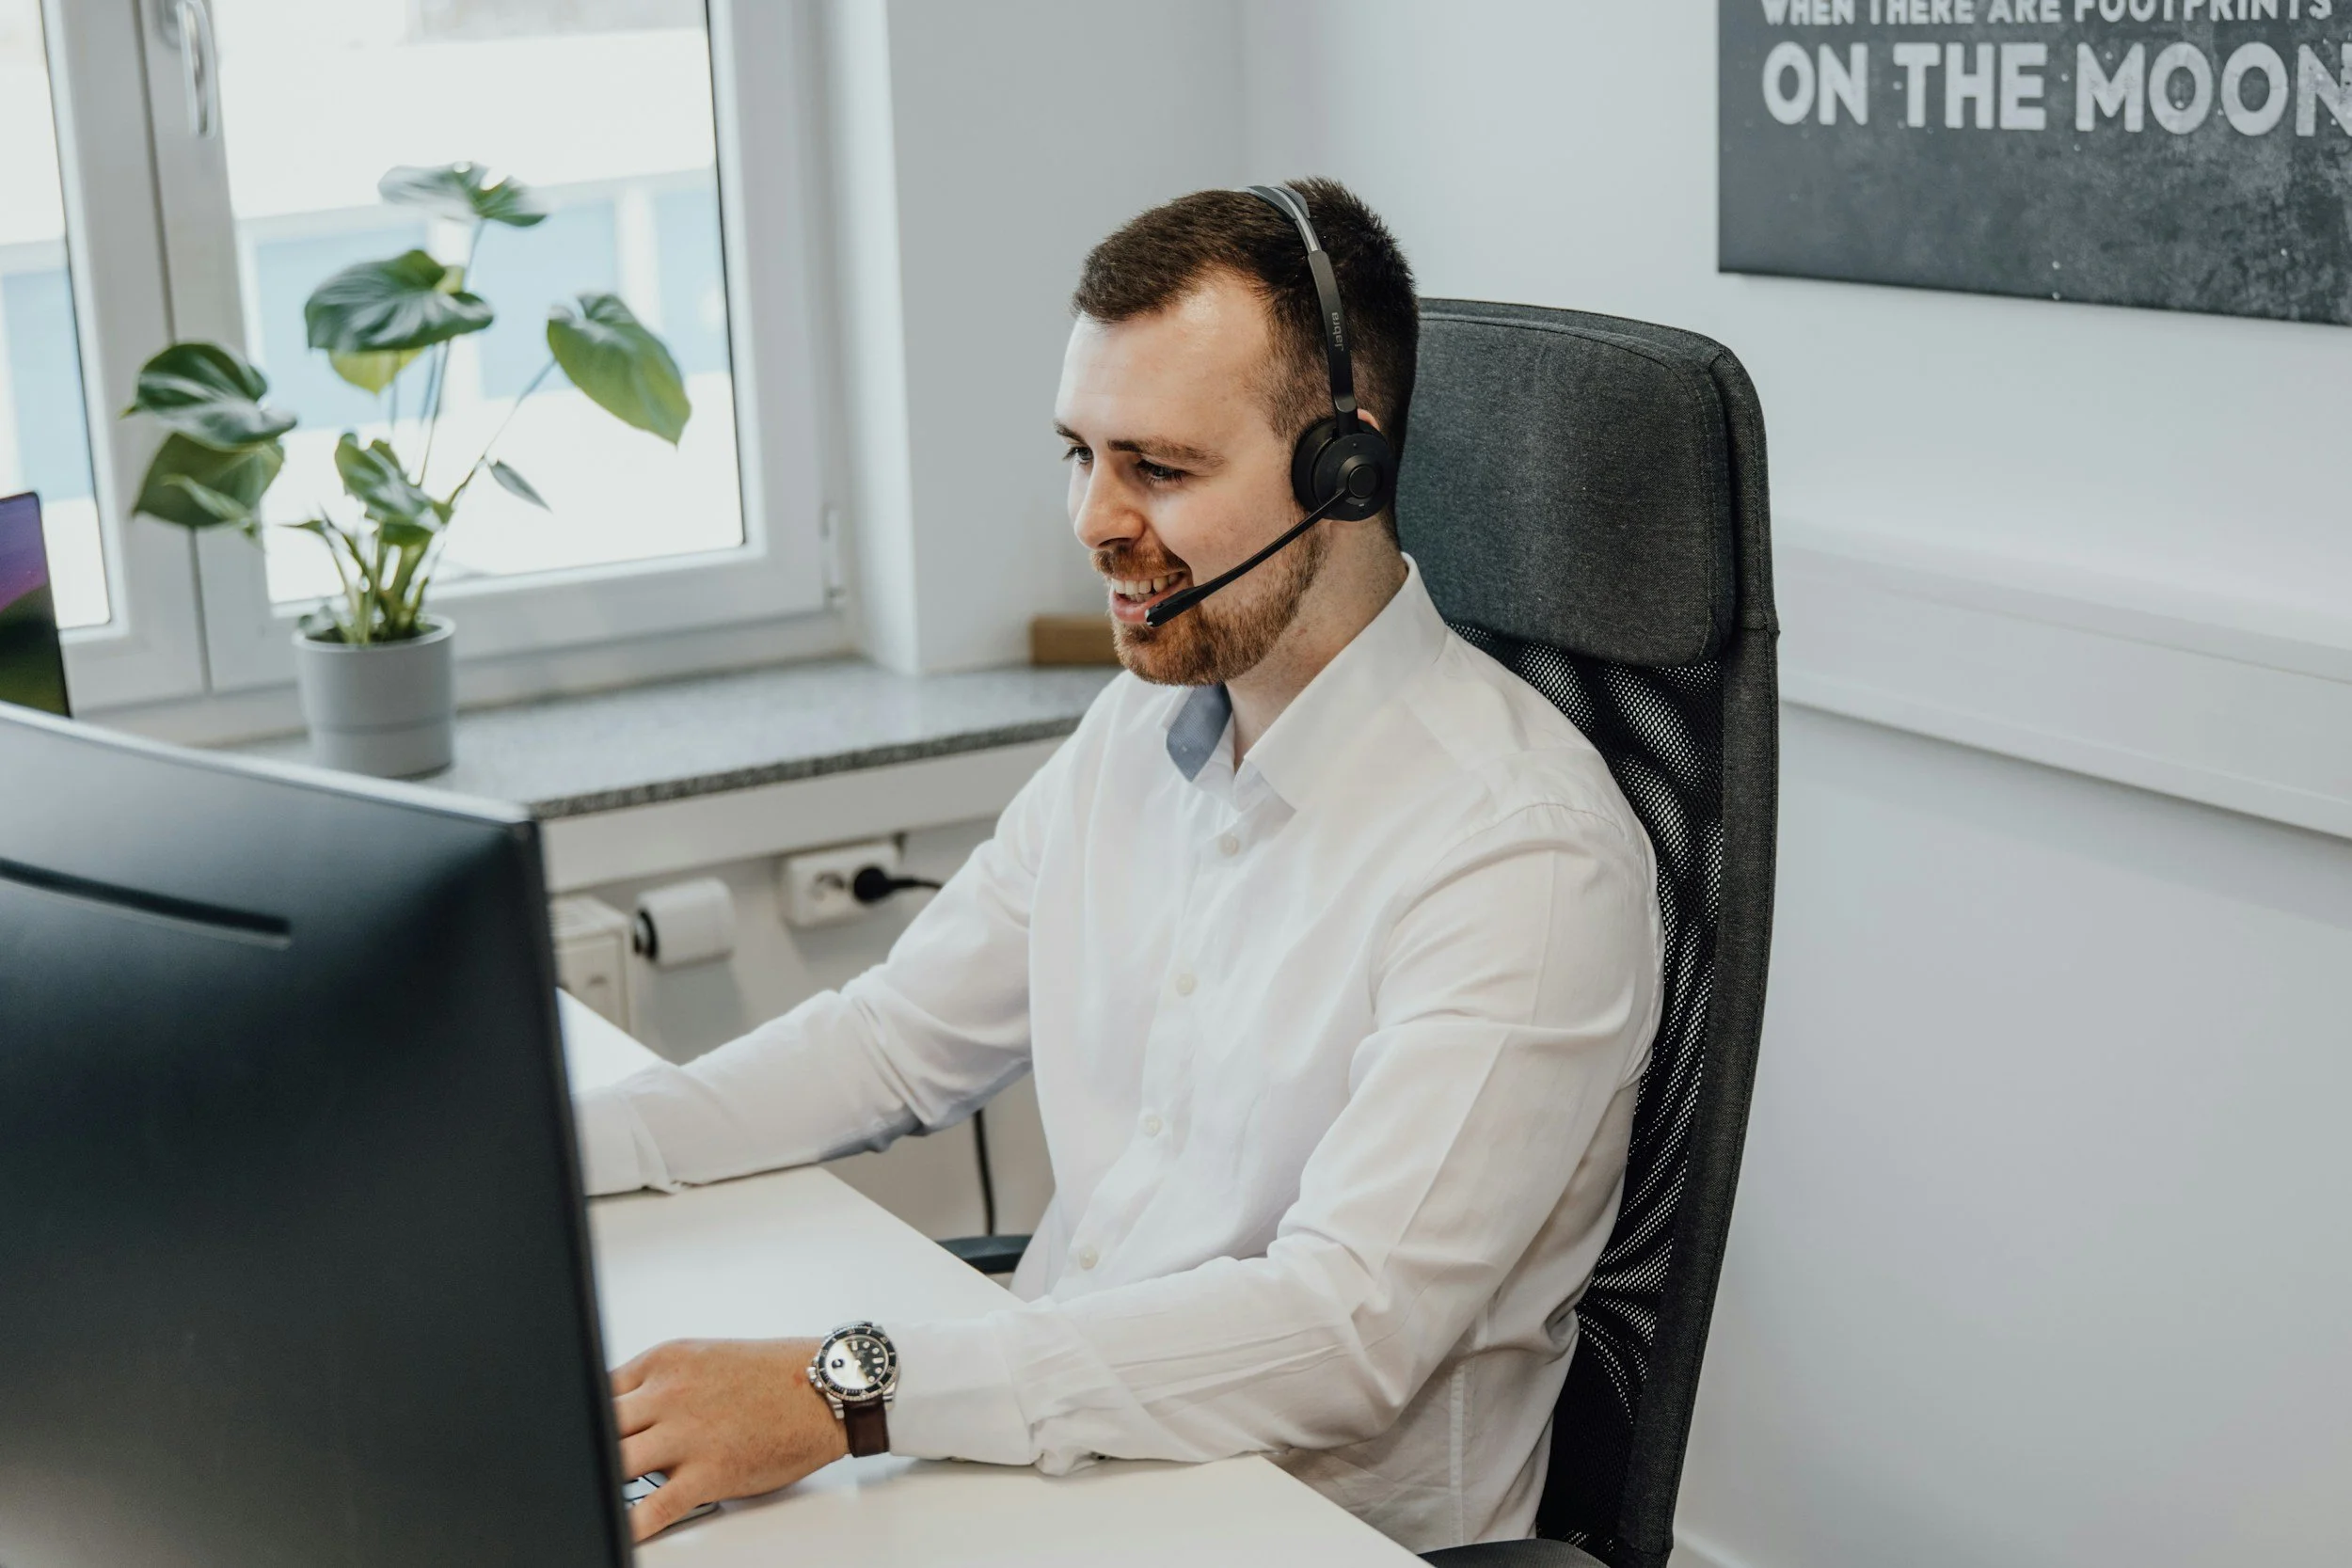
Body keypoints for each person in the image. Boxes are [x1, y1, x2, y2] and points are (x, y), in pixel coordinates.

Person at [577, 178, 1662, 1556]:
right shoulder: (1137, 726)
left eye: (1158, 467)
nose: (1092, 519)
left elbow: (1345, 1328)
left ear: (1346, 467)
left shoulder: (1523, 853)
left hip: (1279, 1525)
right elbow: (895, 1044)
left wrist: (844, 1388)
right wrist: (567, 1151)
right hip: (1049, 1467)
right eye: (1078, 453)